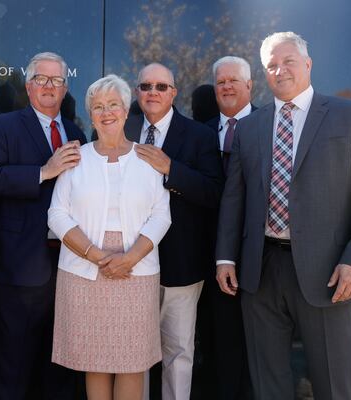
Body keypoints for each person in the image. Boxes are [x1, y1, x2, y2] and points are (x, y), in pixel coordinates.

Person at [216, 32, 351, 400]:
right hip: (260, 272)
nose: (280, 71)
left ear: (308, 64)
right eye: (271, 66)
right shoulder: (249, 128)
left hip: (330, 274)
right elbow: (234, 197)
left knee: (332, 386)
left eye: (288, 61)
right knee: (268, 385)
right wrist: (226, 256)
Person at [48, 74, 171, 400]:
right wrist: (98, 257)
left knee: (132, 363)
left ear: (126, 108)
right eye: (98, 106)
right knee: (95, 361)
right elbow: (57, 214)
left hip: (136, 271)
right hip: (84, 271)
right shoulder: (76, 157)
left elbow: (162, 214)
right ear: (91, 114)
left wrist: (127, 259)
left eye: (113, 104)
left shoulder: (147, 158)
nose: (107, 112)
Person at [0, 52, 87, 400]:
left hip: (69, 265)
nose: (49, 87)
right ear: (28, 85)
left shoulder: (76, 131)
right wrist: (43, 171)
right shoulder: (4, 126)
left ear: (66, 88)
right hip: (20, 266)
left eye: (57, 81)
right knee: (14, 365)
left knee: (60, 367)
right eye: (42, 79)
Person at [126, 63, 224, 400]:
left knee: (179, 351)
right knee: (131, 352)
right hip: (128, 262)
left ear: (174, 92)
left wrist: (171, 169)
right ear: (137, 92)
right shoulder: (119, 129)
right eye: (146, 86)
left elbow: (213, 192)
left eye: (161, 87)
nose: (153, 92)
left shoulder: (200, 136)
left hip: (181, 263)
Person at [200, 55, 255, 400]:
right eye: (221, 82)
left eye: (234, 80)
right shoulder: (200, 132)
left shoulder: (270, 125)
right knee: (214, 346)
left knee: (253, 350)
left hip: (257, 259)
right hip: (207, 259)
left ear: (250, 85)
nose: (227, 87)